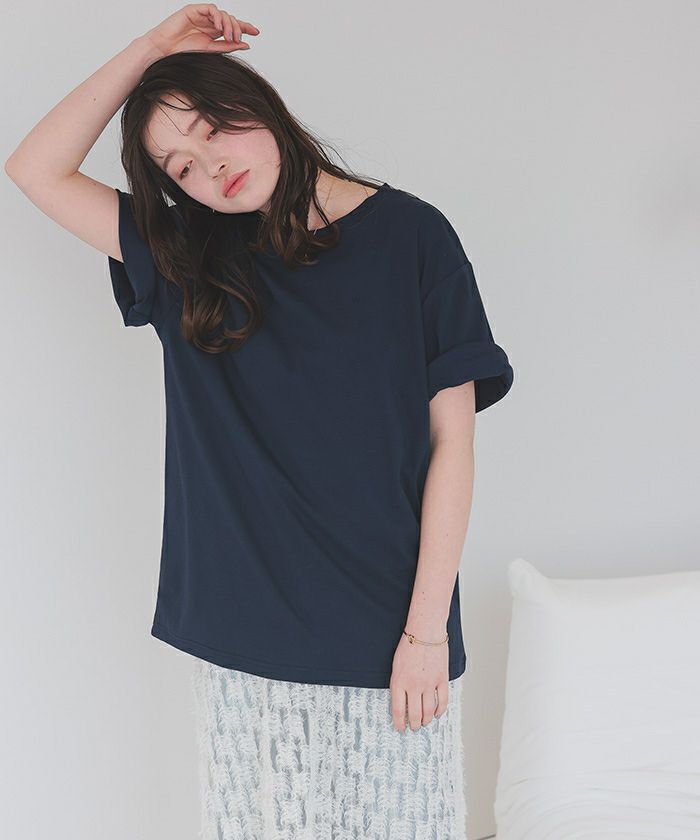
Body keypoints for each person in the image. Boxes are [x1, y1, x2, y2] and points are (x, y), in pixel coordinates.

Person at [5, 5, 514, 838]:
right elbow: (36, 168)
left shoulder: (415, 238)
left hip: (391, 625)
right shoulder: (184, 256)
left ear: (259, 103)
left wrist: (425, 632)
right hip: (246, 626)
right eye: (179, 165)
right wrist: (151, 49)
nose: (208, 166)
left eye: (213, 128)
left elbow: (452, 443)